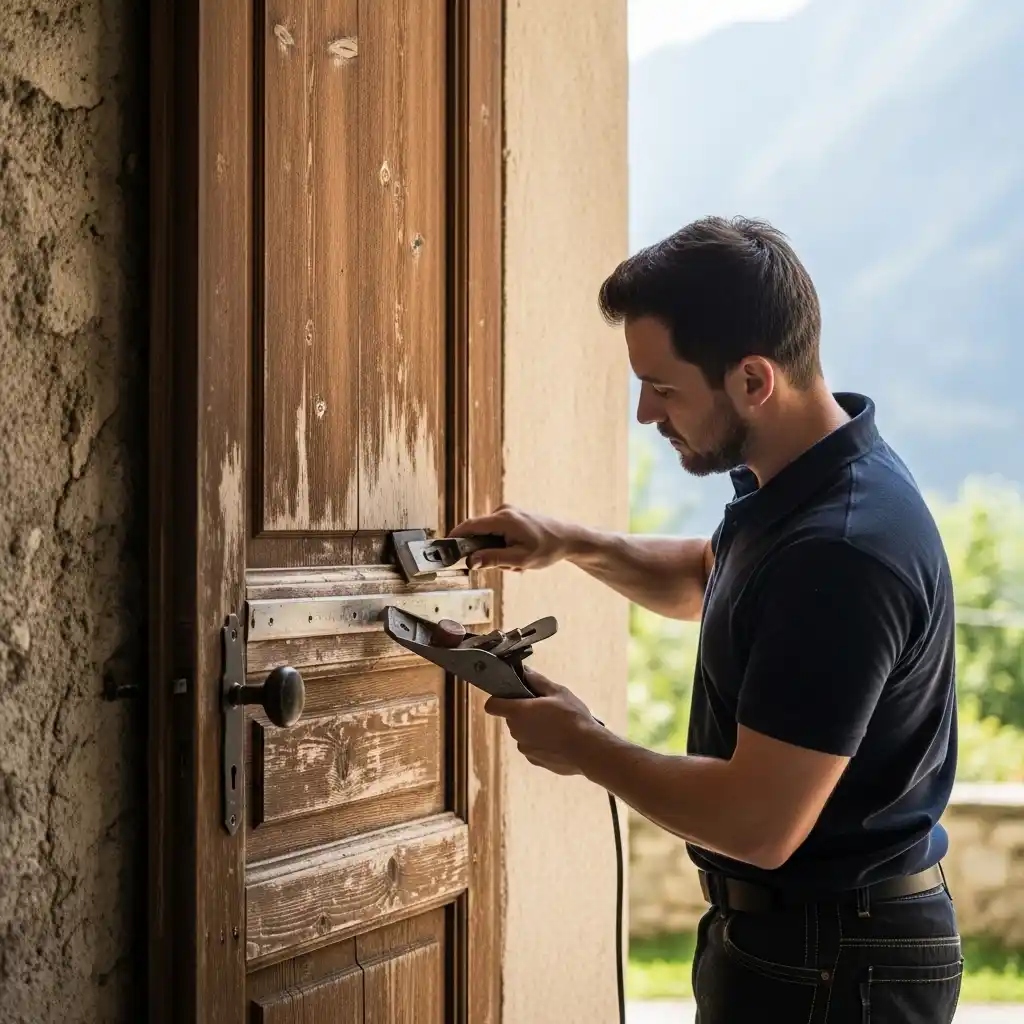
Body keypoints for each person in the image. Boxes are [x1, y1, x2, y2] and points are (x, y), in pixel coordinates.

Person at [451, 217, 961, 1023]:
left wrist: (586, 746)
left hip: (833, 963)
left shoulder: (842, 549)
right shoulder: (804, 486)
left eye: (663, 386)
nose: (648, 414)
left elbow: (758, 824)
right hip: (801, 944)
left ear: (753, 380)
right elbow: (709, 579)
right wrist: (568, 542)